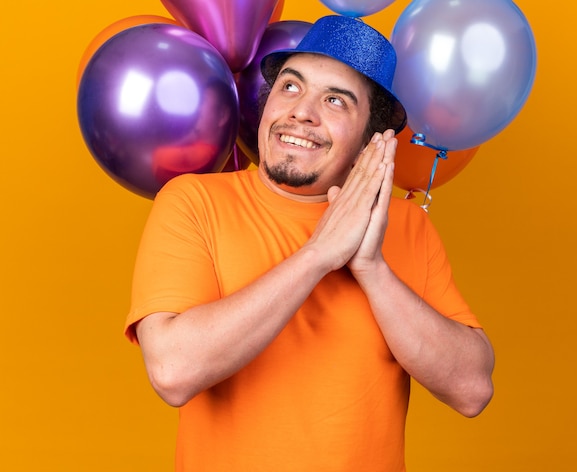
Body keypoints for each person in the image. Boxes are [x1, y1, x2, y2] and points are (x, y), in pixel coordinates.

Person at [125, 15, 495, 472]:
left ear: (370, 142)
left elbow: (472, 389)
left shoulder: (406, 227)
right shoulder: (194, 201)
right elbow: (172, 373)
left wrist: (373, 269)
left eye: (335, 100)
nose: (301, 112)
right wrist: (319, 255)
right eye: (291, 87)